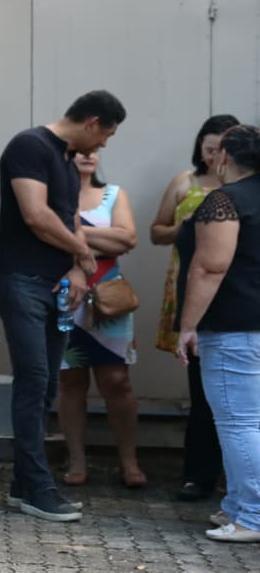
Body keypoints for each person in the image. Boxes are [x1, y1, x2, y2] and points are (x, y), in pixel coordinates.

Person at [0, 88, 126, 523]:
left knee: (47, 383)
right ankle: (38, 488)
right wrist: (84, 254)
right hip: (22, 281)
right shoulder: (30, 146)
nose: (103, 145)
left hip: (54, 286)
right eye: (105, 135)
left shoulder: (67, 162)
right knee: (34, 381)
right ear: (92, 122)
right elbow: (37, 215)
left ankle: (22, 485)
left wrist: (76, 269)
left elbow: (69, 219)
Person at [175, 123, 260, 543]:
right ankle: (237, 506)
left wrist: (188, 325)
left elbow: (210, 267)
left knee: (238, 422)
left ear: (223, 156)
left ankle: (253, 516)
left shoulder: (224, 201)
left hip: (233, 326)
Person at [151, 114, 239, 501]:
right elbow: (156, 231)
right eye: (208, 148)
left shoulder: (241, 194)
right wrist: (189, 227)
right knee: (202, 389)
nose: (214, 156)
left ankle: (236, 481)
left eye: (221, 149)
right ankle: (199, 475)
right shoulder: (185, 182)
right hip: (192, 286)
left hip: (235, 295)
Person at [56, 151, 144, 488]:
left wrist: (73, 232)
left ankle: (129, 462)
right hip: (66, 295)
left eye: (93, 150)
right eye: (79, 150)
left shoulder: (113, 194)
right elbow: (45, 236)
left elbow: (128, 239)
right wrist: (103, 238)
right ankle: (76, 461)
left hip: (109, 296)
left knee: (117, 380)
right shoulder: (53, 195)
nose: (88, 154)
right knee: (70, 380)